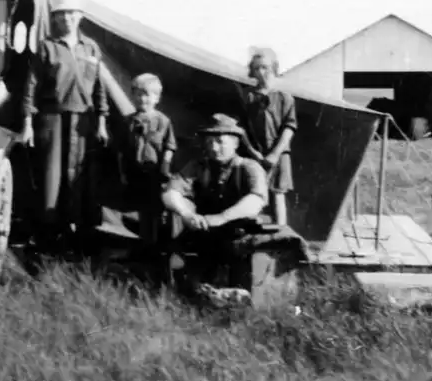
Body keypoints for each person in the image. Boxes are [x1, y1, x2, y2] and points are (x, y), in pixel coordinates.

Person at [21, 0, 110, 251]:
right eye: (61, 15)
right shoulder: (47, 47)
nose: (67, 19)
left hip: (83, 121)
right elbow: (31, 87)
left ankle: (77, 235)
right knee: (51, 177)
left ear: (80, 16)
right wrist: (27, 123)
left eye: (71, 13)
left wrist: (102, 122)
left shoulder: (91, 48)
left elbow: (100, 88)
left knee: (79, 176)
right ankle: (48, 235)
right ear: (55, 18)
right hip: (52, 119)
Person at [161, 113, 271, 290]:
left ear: (235, 143)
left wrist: (222, 217)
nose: (213, 147)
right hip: (204, 232)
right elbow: (171, 192)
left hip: (238, 233)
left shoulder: (249, 167)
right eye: (209, 141)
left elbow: (256, 200)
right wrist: (186, 214)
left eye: (220, 142)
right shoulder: (198, 166)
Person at [118, 73, 177, 247]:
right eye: (138, 94)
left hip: (155, 173)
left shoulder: (163, 121)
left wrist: (165, 167)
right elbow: (121, 150)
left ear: (157, 97)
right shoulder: (128, 121)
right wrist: (122, 173)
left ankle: (156, 245)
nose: (143, 99)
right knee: (139, 209)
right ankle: (142, 244)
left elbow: (169, 147)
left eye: (148, 94)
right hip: (134, 173)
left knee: (155, 210)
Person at [246, 47, 297, 226]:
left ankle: (281, 233)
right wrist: (253, 153)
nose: (261, 72)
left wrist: (275, 154)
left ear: (274, 68)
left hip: (280, 154)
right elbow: (242, 129)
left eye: (265, 67)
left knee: (278, 193)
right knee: (254, 191)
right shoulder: (248, 97)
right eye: (257, 68)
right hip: (256, 154)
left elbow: (289, 128)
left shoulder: (285, 98)